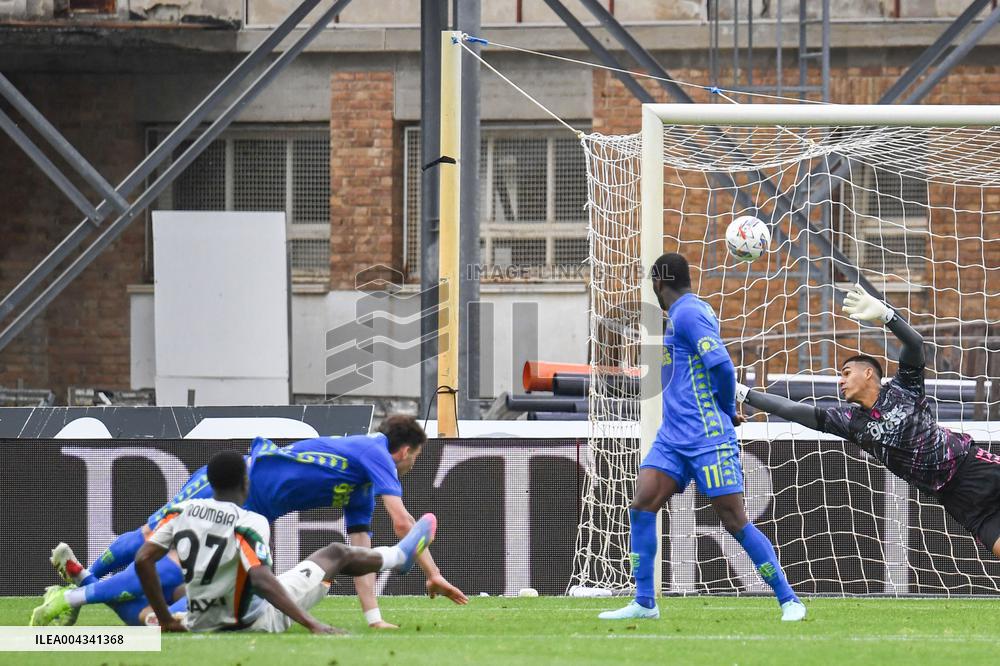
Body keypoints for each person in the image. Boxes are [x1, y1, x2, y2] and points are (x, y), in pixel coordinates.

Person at [39, 415, 466, 627]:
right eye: (417, 457)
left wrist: (374, 620)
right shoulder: (375, 453)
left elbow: (360, 552)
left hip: (253, 508)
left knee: (183, 567)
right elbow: (403, 524)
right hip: (234, 483)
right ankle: (86, 582)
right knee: (158, 539)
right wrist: (433, 572)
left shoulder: (362, 487)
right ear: (404, 452)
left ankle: (122, 603)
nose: (413, 464)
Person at [599, 252, 806, 622]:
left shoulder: (687, 314)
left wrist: (726, 410)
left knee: (734, 520)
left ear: (658, 283)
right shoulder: (685, 314)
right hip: (673, 437)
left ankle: (789, 599)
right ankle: (645, 602)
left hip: (707, 437)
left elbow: (723, 367)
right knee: (643, 503)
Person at [738, 284, 1000, 556]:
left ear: (868, 374)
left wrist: (886, 315)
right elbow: (792, 409)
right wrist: (743, 392)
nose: (841, 380)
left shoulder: (903, 388)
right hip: (955, 498)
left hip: (973, 466)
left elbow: (915, 343)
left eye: (847, 372)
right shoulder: (850, 421)